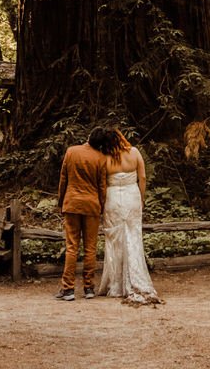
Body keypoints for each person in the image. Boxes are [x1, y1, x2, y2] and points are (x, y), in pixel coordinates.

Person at [96, 127, 161, 305]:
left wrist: (102, 204)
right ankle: (135, 278)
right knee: (133, 237)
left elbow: (102, 183)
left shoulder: (104, 158)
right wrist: (141, 197)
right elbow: (143, 177)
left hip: (113, 199)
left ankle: (115, 284)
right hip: (132, 197)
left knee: (114, 240)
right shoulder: (134, 152)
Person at [55, 128, 110, 301]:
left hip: (72, 203)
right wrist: (101, 206)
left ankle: (68, 289)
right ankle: (88, 288)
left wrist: (60, 200)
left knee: (72, 247)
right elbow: (102, 186)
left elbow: (63, 179)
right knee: (90, 248)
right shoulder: (101, 158)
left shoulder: (72, 151)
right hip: (92, 205)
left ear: (88, 136)